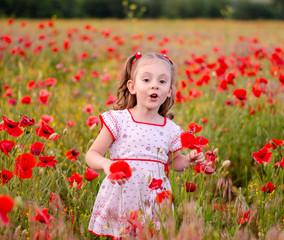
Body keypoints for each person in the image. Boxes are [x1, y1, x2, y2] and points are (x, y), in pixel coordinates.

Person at [86, 52, 205, 239]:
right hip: (122, 196)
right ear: (132, 87)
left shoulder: (170, 130)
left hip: (155, 200)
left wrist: (189, 160)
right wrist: (106, 165)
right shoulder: (118, 121)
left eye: (163, 82)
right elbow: (92, 154)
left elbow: (173, 163)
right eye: (147, 79)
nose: (155, 85)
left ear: (169, 92)